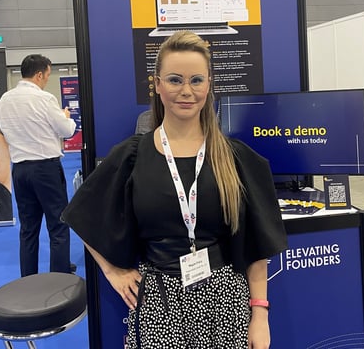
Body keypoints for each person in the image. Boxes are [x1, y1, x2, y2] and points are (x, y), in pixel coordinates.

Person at [62, 31, 287, 349]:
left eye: (196, 80)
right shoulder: (133, 156)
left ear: (209, 84)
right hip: (159, 300)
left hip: (224, 300)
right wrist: (112, 271)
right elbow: (81, 213)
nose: (186, 91)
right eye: (174, 80)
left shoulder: (235, 158)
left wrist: (260, 315)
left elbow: (256, 246)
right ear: (157, 84)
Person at [0, 54, 76, 277]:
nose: (46, 81)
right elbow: (67, 130)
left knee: (28, 229)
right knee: (58, 225)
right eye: (47, 76)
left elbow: (6, 130)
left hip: (20, 169)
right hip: (45, 169)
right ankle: (59, 277)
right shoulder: (45, 99)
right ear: (39, 74)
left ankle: (28, 279)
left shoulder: (5, 99)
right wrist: (66, 116)